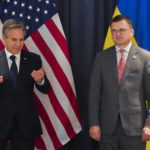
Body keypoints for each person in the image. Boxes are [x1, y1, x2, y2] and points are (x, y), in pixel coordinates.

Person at [88, 15, 150, 150]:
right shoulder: (101, 58)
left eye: (121, 30)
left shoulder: (145, 57)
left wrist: (148, 124)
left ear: (131, 32)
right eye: (114, 31)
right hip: (107, 129)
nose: (117, 34)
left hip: (136, 130)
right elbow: (94, 94)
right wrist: (94, 123)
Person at [0, 19, 50, 150]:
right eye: (14, 39)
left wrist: (40, 80)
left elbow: (46, 89)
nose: (18, 44)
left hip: (25, 125)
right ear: (4, 38)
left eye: (21, 40)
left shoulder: (33, 59)